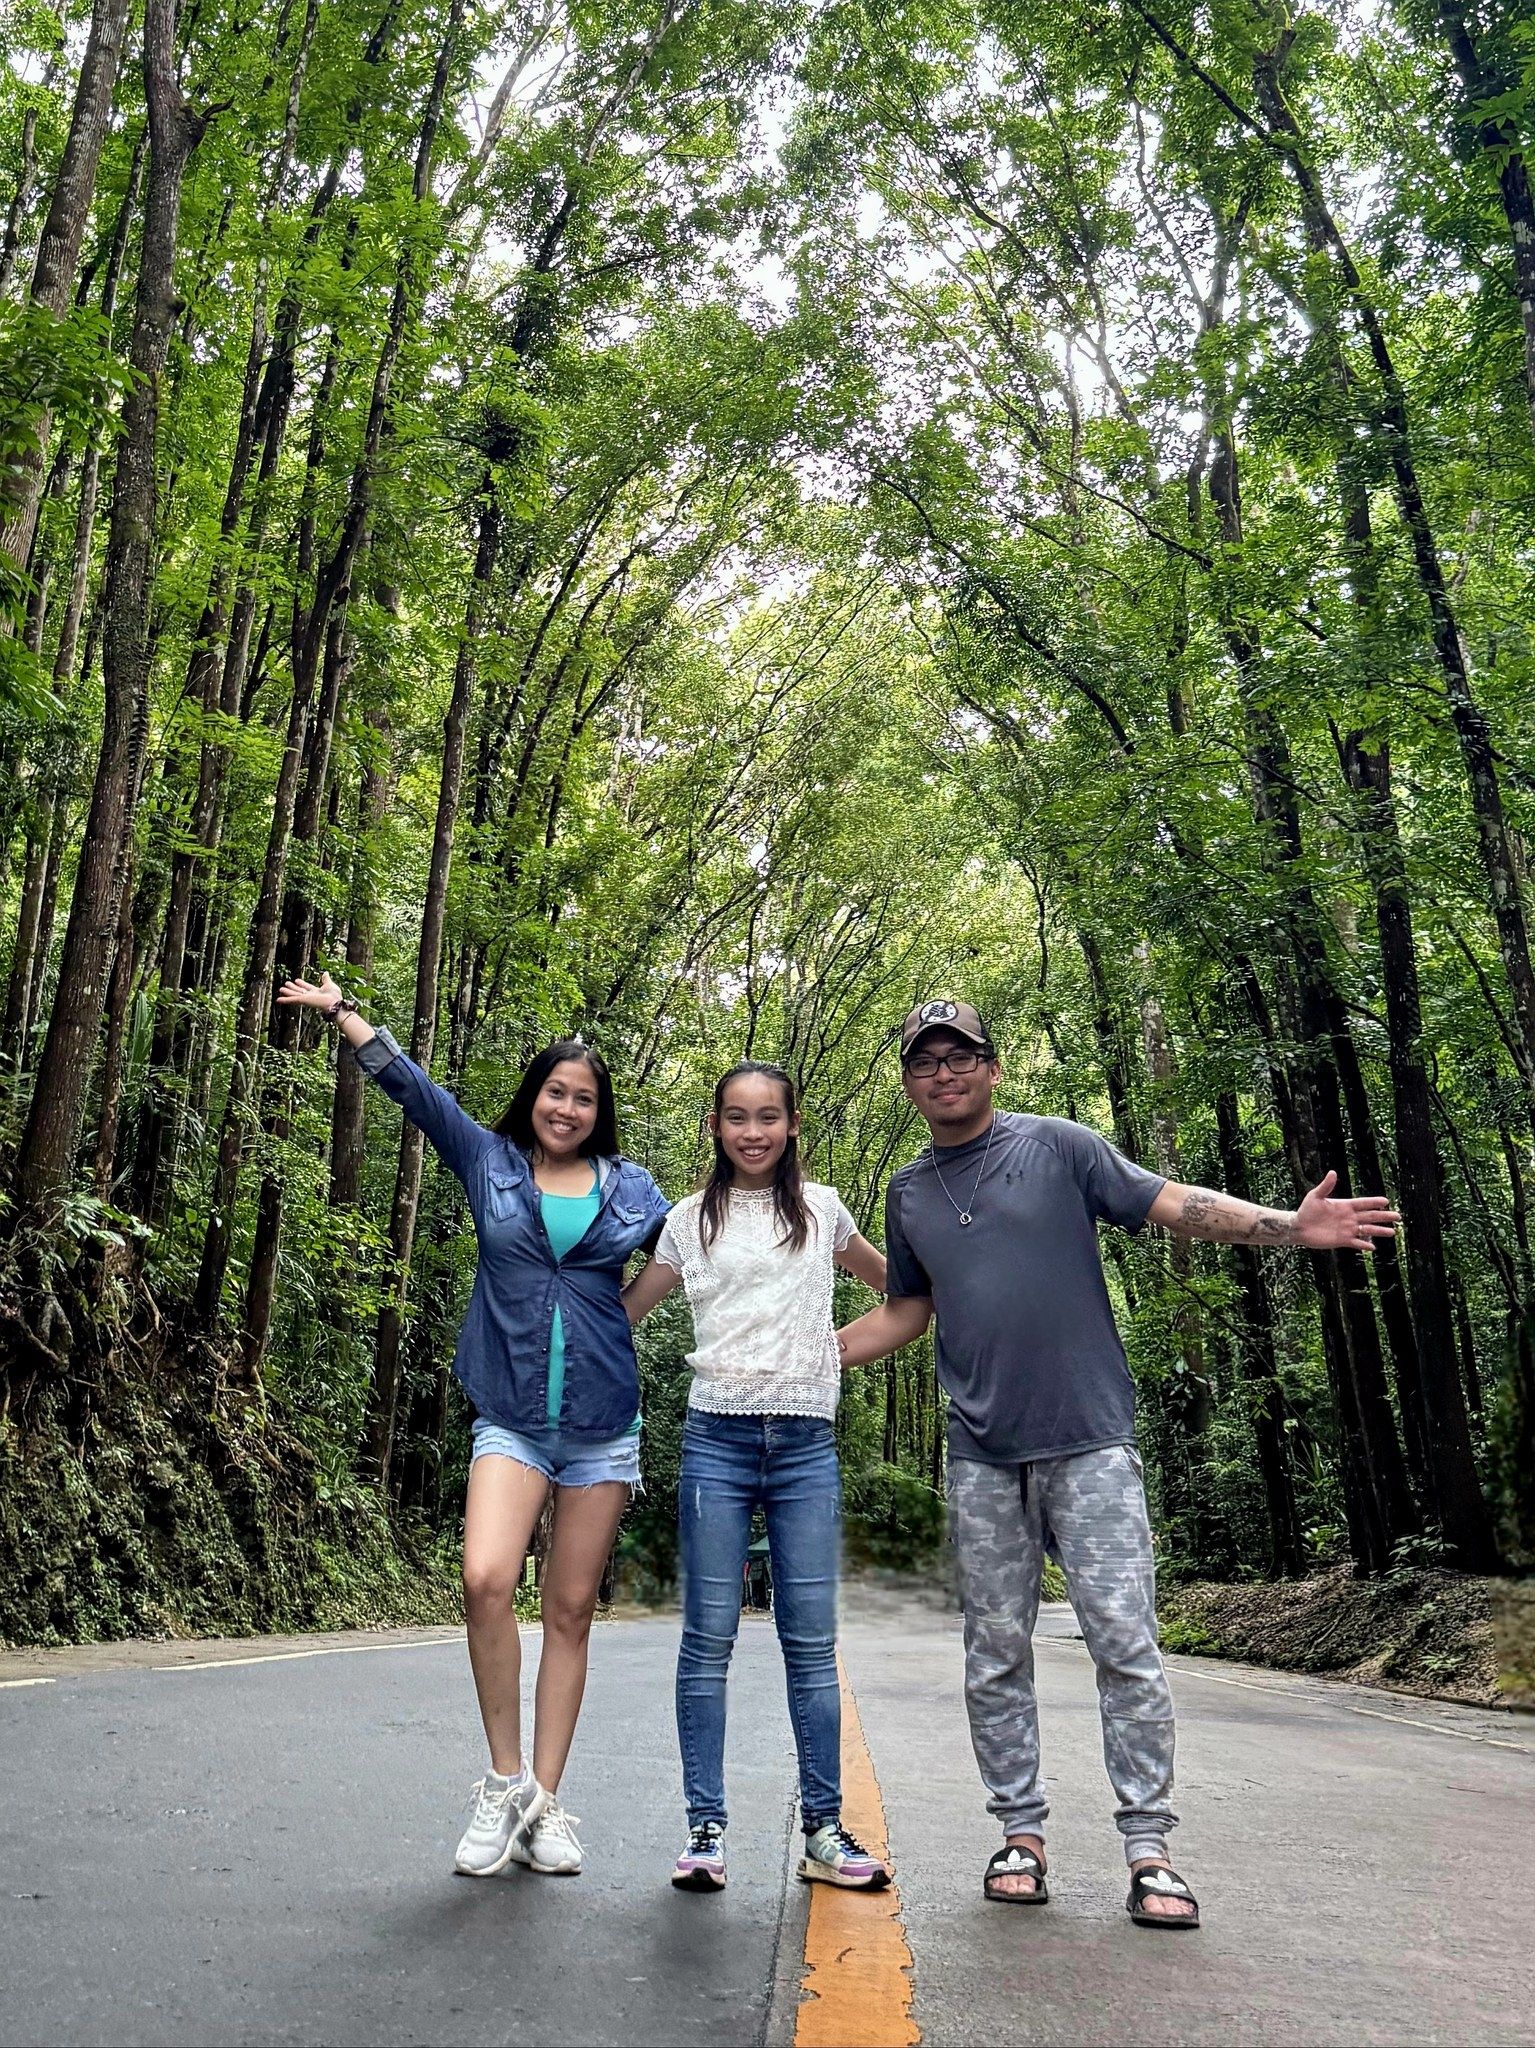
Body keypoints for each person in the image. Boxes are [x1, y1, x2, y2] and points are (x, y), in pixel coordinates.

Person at [835, 999, 1400, 1931]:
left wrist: (1289, 1229)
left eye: (961, 1056)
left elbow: (1175, 1204)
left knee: (1124, 1647)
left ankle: (1149, 1849)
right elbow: (905, 1310)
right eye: (925, 1062)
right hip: (979, 1457)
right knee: (993, 1655)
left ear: (992, 1067)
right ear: (907, 1082)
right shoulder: (907, 1194)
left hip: (1090, 1440)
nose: (944, 1073)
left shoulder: (1060, 1147)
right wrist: (811, 1354)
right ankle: (1019, 1833)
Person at [277, 971, 668, 1881]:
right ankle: (501, 1784)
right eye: (553, 1091)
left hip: (603, 1423)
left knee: (570, 1611)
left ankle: (547, 1804)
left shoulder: (634, 1188)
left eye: (583, 1097)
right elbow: (412, 1086)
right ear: (532, 1096)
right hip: (512, 1412)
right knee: (486, 1578)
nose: (565, 1108)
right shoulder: (488, 1159)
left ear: (599, 1111)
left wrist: (624, 1315)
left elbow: (698, 1246)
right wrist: (343, 1013)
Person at [622, 1061, 891, 1894]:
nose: (752, 1131)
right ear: (714, 1125)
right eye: (735, 1116)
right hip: (715, 1444)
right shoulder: (685, 1221)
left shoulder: (823, 1209)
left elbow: (905, 1293)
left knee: (808, 1644)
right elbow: (621, 1314)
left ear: (791, 1123)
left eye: (767, 1116)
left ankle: (822, 1831)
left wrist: (827, 1352)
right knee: (708, 1641)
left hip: (806, 1445)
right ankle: (704, 1833)